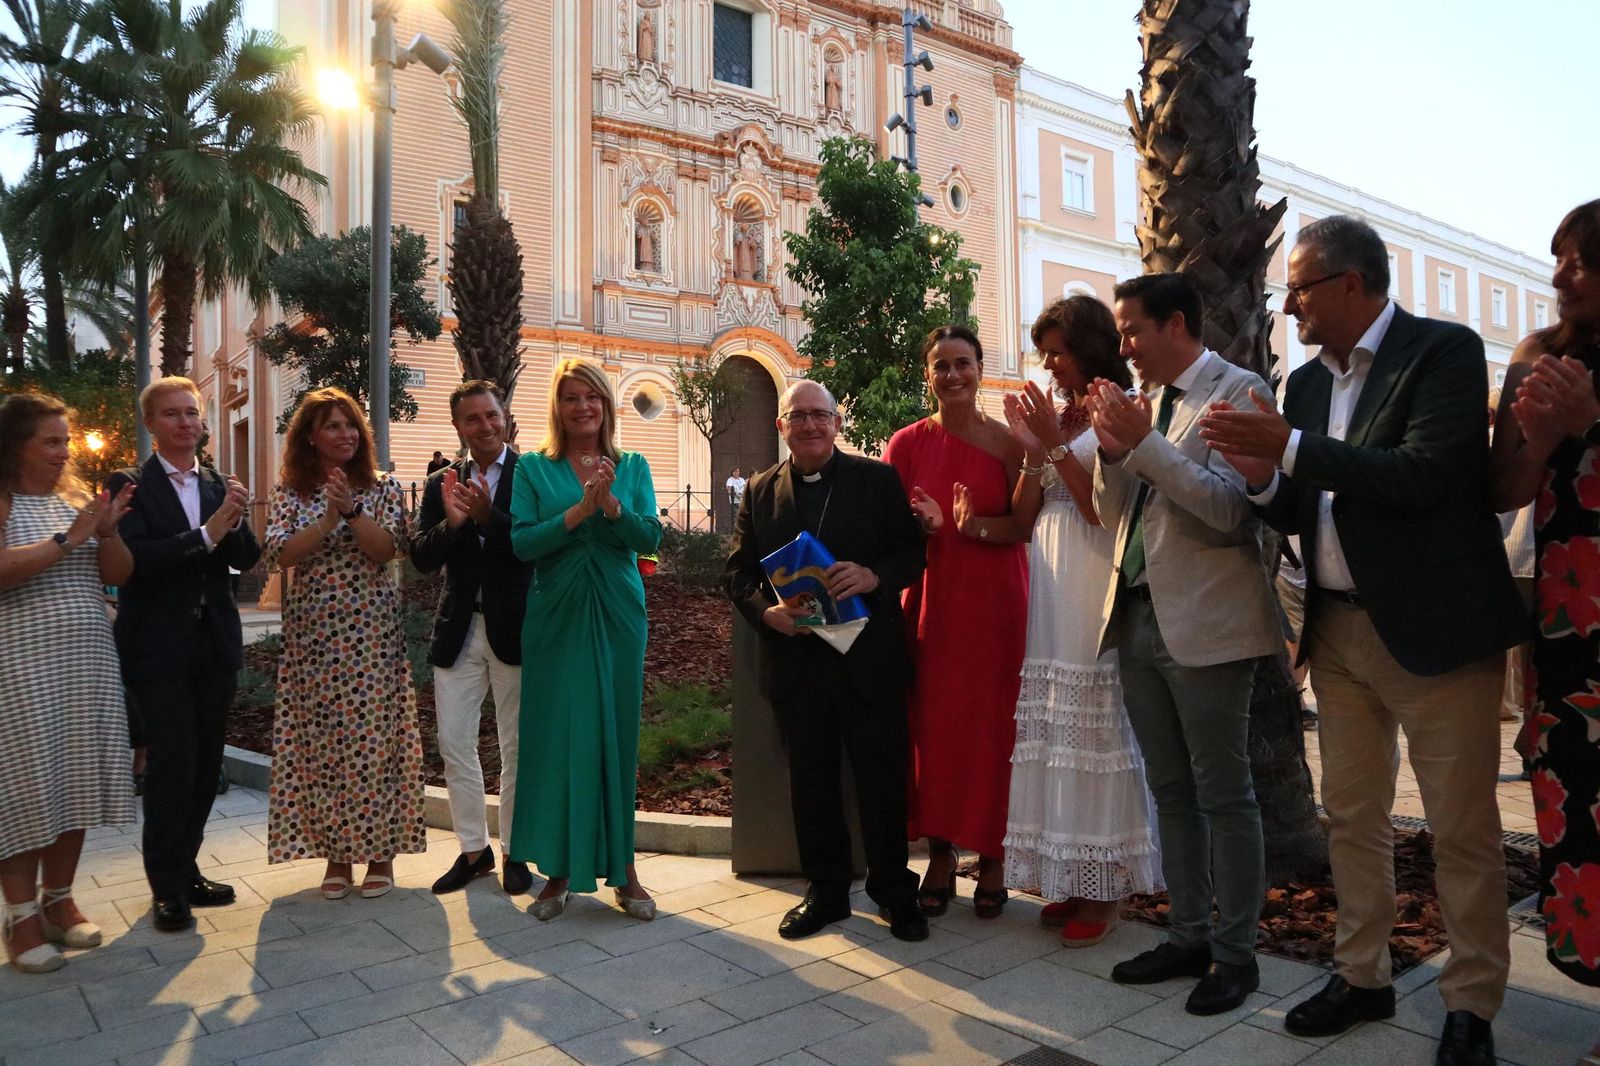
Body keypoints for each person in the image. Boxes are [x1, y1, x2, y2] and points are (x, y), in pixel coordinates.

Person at [1201, 215, 1525, 1066]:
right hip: (1338, 631)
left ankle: (1471, 1006)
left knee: (1460, 829)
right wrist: (1264, 476)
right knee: (1352, 816)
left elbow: (1425, 476)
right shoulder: (1305, 384)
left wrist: (1293, 449)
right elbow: (1303, 503)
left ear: (1351, 283)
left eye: (1300, 287)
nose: (1289, 304)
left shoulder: (1443, 353)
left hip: (1437, 634)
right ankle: (1363, 974)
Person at [1088, 271, 1279, 1016]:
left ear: (1176, 325)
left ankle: (1236, 956)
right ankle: (1189, 934)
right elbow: (1113, 514)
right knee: (1171, 791)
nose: (1125, 344)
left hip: (1206, 622)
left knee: (1225, 795)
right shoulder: (1149, 405)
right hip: (1135, 616)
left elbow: (1234, 510)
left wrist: (1145, 447)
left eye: (1133, 329)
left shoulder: (1240, 391)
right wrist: (1113, 451)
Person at [725, 379, 928, 942]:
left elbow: (913, 552)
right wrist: (767, 612)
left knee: (880, 781)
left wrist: (873, 575)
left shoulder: (877, 480)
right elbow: (738, 571)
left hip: (868, 659)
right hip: (798, 661)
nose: (811, 425)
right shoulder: (760, 491)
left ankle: (893, 889)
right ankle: (826, 891)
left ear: (837, 424)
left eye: (821, 415)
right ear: (781, 425)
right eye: (799, 416)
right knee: (810, 782)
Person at [998, 296, 1162, 947]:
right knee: (1053, 725)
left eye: (1058, 351)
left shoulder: (1114, 410)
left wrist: (1060, 443)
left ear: (1089, 346)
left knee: (1095, 732)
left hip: (1096, 568)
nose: (1049, 364)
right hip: (1050, 571)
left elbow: (1107, 513)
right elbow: (1026, 506)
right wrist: (1035, 446)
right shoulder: (1064, 414)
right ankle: (1069, 874)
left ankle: (1109, 890)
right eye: (1045, 352)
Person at [1489, 201, 1600, 1028]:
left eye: (1582, 260)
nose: (1561, 276)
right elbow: (1506, 492)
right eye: (1557, 258)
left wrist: (1592, 425)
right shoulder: (1541, 358)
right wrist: (1537, 434)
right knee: (1579, 815)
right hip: (1567, 631)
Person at [884, 325, 1028, 919]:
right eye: (940, 365)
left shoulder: (1012, 445)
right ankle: (940, 854)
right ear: (927, 374)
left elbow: (1026, 526)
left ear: (980, 368)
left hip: (996, 603)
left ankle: (995, 858)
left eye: (962, 363)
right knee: (934, 727)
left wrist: (971, 528)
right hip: (931, 602)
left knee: (997, 729)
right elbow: (887, 531)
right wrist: (919, 527)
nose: (952, 375)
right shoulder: (905, 445)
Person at [509, 359, 662, 921]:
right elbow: (523, 544)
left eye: (591, 398)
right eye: (571, 398)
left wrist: (614, 506)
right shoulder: (533, 468)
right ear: (558, 407)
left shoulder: (634, 464)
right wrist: (580, 511)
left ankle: (625, 872)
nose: (582, 408)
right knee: (557, 737)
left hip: (619, 610)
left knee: (614, 736)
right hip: (556, 613)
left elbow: (649, 538)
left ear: (606, 404)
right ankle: (559, 871)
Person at [107, 377, 261, 933]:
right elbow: (136, 561)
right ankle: (165, 888)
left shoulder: (219, 484)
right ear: (151, 425)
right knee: (172, 766)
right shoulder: (127, 485)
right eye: (172, 414)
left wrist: (237, 520)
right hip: (157, 649)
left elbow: (244, 556)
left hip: (214, 643)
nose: (185, 423)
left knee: (204, 768)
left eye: (192, 413)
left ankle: (187, 867)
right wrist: (206, 533)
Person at [261, 387, 426, 899]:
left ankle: (380, 855)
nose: (345, 434)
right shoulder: (290, 492)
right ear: (310, 437)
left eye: (352, 425)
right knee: (325, 746)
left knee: (375, 743)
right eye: (333, 426)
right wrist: (327, 518)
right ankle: (336, 858)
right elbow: (282, 555)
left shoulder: (383, 488)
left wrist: (352, 513)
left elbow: (385, 552)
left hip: (371, 639)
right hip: (315, 642)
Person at [0, 392, 136, 973]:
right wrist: (71, 539)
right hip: (22, 666)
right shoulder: (5, 501)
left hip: (87, 663)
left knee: (77, 779)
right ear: (16, 447)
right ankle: (20, 917)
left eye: (66, 440)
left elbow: (119, 575)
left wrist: (105, 533)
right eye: (51, 441)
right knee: (29, 788)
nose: (64, 451)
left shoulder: (77, 500)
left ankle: (60, 901)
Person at [410, 381, 534, 895]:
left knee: (516, 746)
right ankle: (473, 850)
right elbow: (420, 557)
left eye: (492, 416)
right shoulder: (442, 480)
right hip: (459, 629)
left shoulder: (531, 475)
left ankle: (515, 851)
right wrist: (456, 524)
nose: (485, 426)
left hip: (516, 629)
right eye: (473, 419)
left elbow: (536, 546)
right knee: (455, 743)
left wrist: (490, 518)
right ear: (458, 427)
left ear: (505, 418)